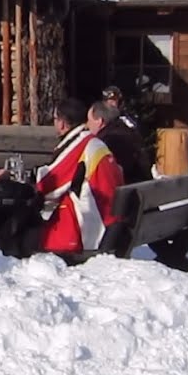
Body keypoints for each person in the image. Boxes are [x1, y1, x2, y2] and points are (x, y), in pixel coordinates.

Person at [29, 98, 124, 263]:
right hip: (110, 218)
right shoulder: (94, 143)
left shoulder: (81, 145)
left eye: (55, 119)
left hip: (93, 228)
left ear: (63, 123)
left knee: (26, 231)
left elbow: (49, 184)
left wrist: (29, 179)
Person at [91, 100, 150, 186]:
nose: (87, 125)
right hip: (142, 185)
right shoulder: (128, 132)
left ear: (99, 121)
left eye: (89, 120)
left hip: (127, 191)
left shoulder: (109, 141)